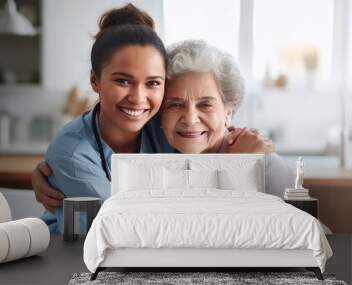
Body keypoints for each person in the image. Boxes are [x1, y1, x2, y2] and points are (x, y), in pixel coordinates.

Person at [33, 4, 275, 233]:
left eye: (152, 83)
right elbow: (123, 226)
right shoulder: (74, 152)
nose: (138, 98)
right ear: (95, 81)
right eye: (123, 80)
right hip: (77, 260)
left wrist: (247, 153)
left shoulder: (164, 124)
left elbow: (211, 137)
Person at [160, 39, 294, 196]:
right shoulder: (160, 164)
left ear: (228, 112)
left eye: (205, 105)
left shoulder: (267, 167)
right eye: (175, 105)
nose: (190, 119)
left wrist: (241, 168)